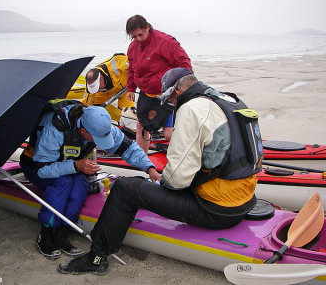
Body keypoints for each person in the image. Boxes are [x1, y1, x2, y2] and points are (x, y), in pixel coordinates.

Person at [57, 68, 263, 275]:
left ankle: (96, 257)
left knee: (124, 187)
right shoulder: (227, 100)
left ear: (175, 92)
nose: (171, 105)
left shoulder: (191, 109)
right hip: (246, 201)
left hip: (215, 210)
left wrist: (158, 181)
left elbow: (176, 181)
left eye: (170, 100)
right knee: (150, 182)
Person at [20, 101, 159, 260]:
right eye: (97, 139)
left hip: (70, 166)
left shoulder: (99, 124)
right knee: (62, 183)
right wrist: (76, 165)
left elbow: (128, 148)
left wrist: (150, 168)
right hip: (36, 166)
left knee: (81, 183)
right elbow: (42, 169)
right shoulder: (55, 127)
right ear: (82, 130)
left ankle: (62, 233)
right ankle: (45, 234)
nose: (101, 143)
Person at [125, 14, 193, 151]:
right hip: (146, 93)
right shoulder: (133, 47)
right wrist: (131, 88)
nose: (137, 39)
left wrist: (185, 89)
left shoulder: (166, 42)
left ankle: (185, 157)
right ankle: (142, 161)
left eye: (140, 35)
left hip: (167, 94)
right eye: (134, 37)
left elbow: (185, 66)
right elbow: (131, 68)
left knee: (168, 133)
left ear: (148, 27)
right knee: (141, 126)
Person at [81, 53, 135, 122]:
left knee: (129, 116)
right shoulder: (91, 85)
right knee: (93, 110)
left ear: (101, 78)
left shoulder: (120, 63)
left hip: (125, 90)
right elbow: (86, 104)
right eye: (94, 89)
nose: (96, 89)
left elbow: (139, 63)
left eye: (97, 87)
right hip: (104, 93)